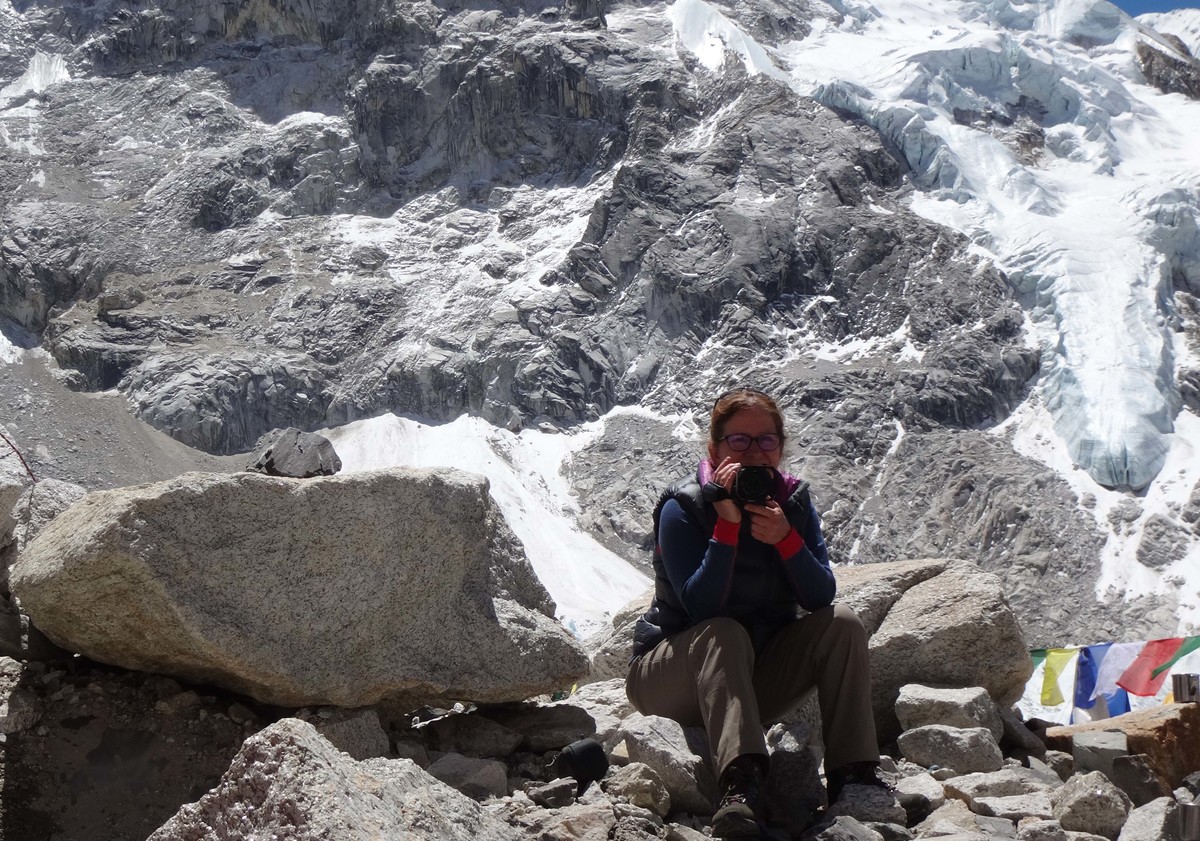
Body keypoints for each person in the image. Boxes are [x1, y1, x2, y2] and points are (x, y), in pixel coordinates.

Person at [625, 387, 885, 837]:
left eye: (766, 441)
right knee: (723, 631)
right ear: (715, 448)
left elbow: (820, 597)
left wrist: (787, 539)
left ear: (780, 448)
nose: (753, 453)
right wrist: (727, 526)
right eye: (739, 441)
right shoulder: (684, 506)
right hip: (670, 676)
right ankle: (742, 786)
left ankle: (855, 776)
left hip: (749, 680)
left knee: (842, 623)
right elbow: (699, 606)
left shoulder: (794, 504)